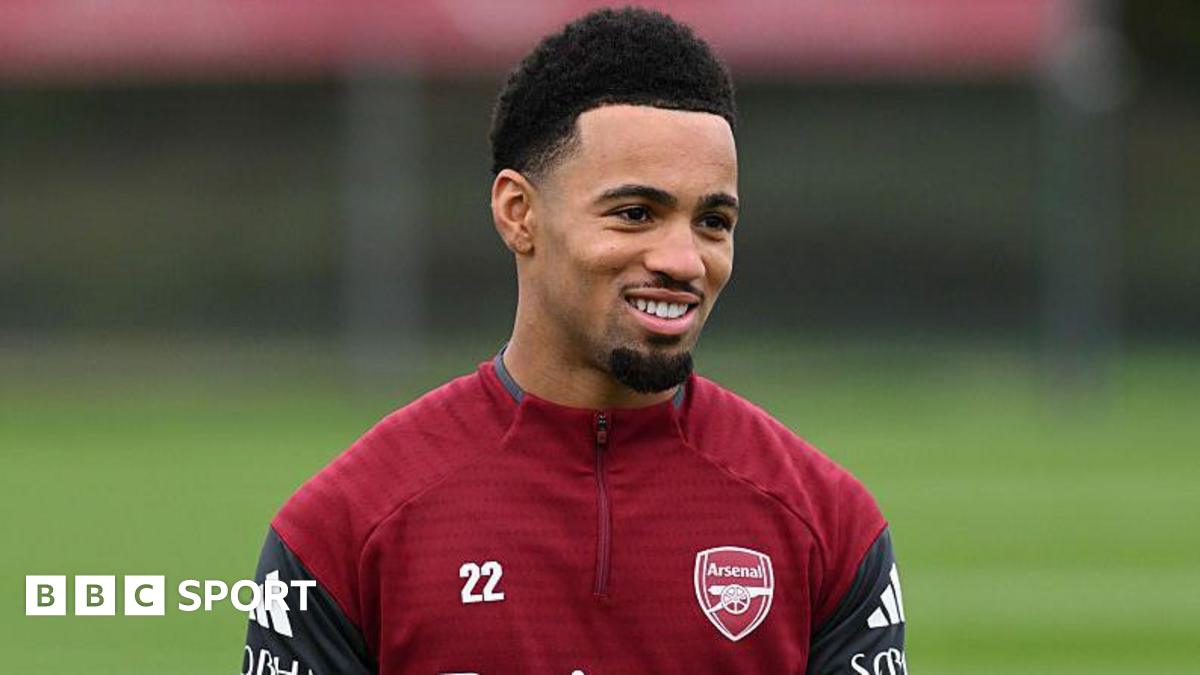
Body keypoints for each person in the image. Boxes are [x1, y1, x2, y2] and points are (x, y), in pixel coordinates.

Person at [242, 8, 906, 674]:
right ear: (518, 213)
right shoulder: (342, 532)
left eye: (712, 220)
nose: (684, 259)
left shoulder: (832, 527)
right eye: (635, 213)